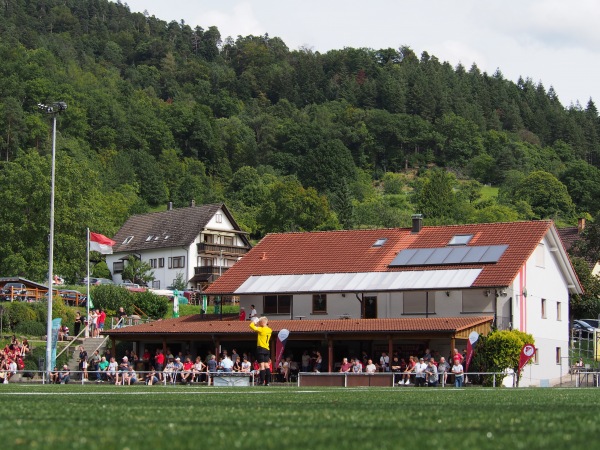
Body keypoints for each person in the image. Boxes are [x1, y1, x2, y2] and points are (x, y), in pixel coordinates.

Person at [250, 316, 272, 385]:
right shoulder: (270, 330)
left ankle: (262, 381)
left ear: (263, 322)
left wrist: (254, 321)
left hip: (261, 348)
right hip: (267, 349)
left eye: (260, 322)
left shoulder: (261, 329)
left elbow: (251, 326)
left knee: (261, 366)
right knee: (267, 365)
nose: (259, 323)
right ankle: (267, 382)